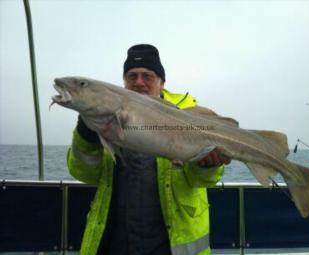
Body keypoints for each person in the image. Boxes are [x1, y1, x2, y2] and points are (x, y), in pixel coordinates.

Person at [67, 44, 231, 255]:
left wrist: (207, 166)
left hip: (169, 245)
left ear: (162, 82)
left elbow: (202, 181)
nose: (139, 82)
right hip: (116, 244)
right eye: (131, 76)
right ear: (124, 82)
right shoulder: (104, 121)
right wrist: (87, 137)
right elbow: (84, 174)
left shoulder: (187, 117)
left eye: (148, 76)